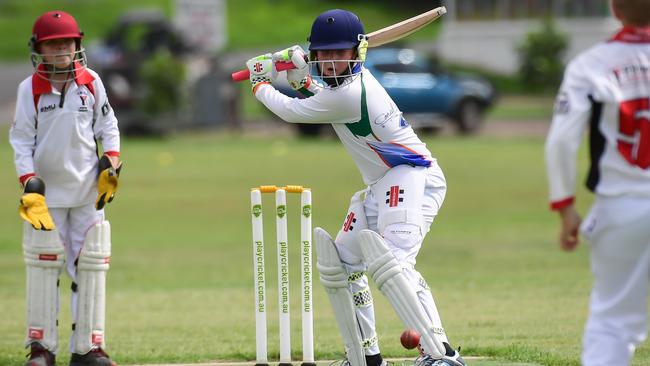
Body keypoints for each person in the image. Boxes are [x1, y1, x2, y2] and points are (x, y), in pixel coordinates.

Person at [244, 9, 466, 366]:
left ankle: (442, 354)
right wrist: (301, 77)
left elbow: (293, 111)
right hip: (381, 183)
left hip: (412, 174)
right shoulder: (339, 89)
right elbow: (318, 95)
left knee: (394, 262)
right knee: (341, 263)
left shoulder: (351, 92)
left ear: (356, 53)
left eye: (339, 53)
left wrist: (260, 84)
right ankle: (366, 355)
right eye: (323, 54)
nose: (331, 62)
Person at [10, 10, 122, 366]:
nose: (61, 50)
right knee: (44, 267)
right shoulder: (29, 89)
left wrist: (112, 163)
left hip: (88, 192)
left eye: (67, 43)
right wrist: (29, 183)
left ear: (77, 45)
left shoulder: (91, 82)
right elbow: (21, 141)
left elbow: (108, 126)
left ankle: (88, 348)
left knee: (89, 266)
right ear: (39, 49)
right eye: (53, 44)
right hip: (46, 197)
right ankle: (42, 349)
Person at [544, 0, 650, 365]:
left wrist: (565, 207)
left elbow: (560, 141)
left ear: (615, 8)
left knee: (612, 324)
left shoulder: (591, 65)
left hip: (622, 207)